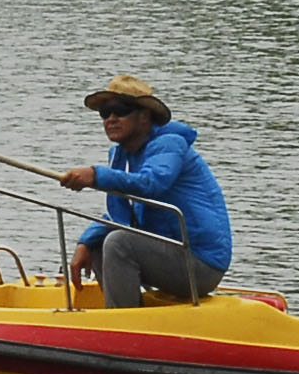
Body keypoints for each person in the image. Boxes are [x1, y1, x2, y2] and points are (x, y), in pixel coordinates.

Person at [57, 77, 234, 308]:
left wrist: (96, 175)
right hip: (171, 253)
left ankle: (122, 325)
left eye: (120, 110)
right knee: (100, 242)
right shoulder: (122, 155)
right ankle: (122, 311)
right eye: (105, 112)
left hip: (201, 264)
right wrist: (85, 242)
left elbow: (152, 183)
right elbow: (121, 216)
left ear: (144, 117)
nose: (111, 119)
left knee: (119, 243)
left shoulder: (169, 144)